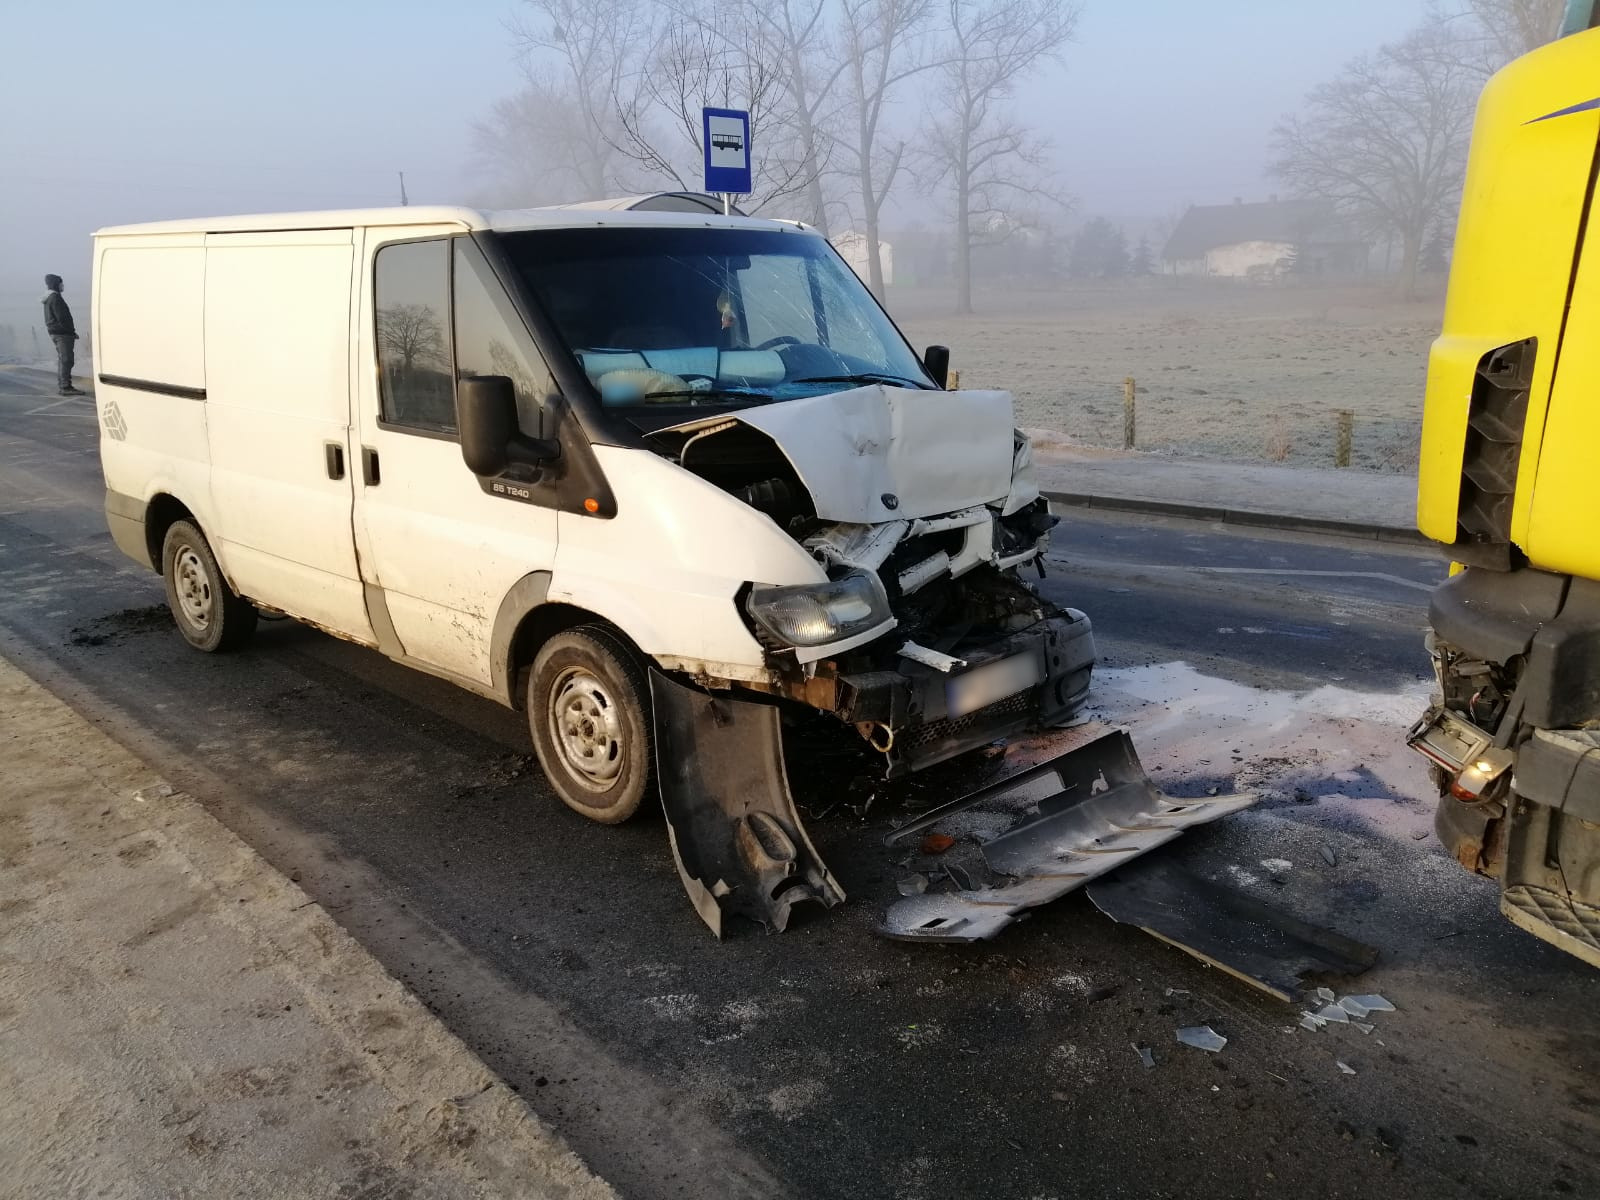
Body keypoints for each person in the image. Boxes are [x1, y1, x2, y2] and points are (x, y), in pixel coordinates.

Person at [43, 274, 82, 396]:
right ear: (56, 284)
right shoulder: (55, 298)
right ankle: (65, 387)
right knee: (66, 360)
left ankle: (64, 385)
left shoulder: (50, 297)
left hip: (58, 332)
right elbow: (63, 318)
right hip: (62, 334)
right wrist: (71, 332)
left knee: (64, 359)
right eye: (60, 283)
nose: (62, 286)